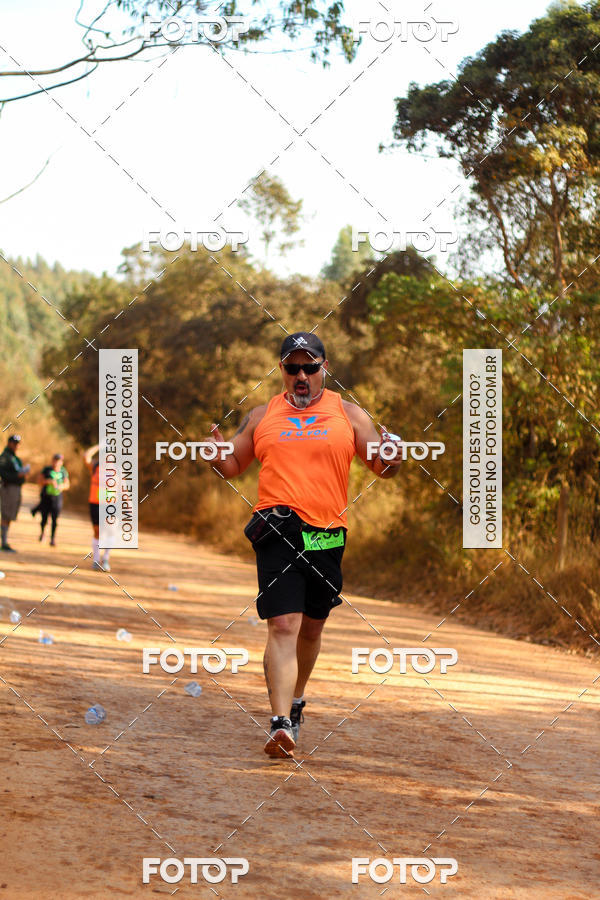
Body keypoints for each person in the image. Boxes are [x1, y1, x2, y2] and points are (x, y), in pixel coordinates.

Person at [205, 332, 402, 758]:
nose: (301, 375)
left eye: (310, 367)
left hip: (327, 533)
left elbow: (380, 466)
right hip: (277, 526)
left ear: (324, 369)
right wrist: (217, 455)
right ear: (282, 370)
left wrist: (393, 457)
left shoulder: (349, 415)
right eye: (292, 367)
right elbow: (234, 464)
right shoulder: (261, 415)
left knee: (311, 627)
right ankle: (279, 723)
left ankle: (295, 703)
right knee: (283, 625)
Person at [0, 434, 30, 552]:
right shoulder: (4, 456)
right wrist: (17, 475)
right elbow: (3, 474)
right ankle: (4, 543)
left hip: (16, 488)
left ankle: (5, 541)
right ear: (9, 443)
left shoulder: (15, 458)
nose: (17, 446)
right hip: (8, 488)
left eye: (18, 443)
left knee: (10, 515)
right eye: (15, 443)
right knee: (6, 514)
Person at [83, 443, 111, 572]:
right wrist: (100, 445)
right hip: (95, 503)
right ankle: (96, 560)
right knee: (97, 531)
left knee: (109, 530)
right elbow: (86, 456)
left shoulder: (117, 470)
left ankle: (105, 559)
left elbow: (123, 487)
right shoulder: (95, 467)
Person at [32, 453, 70, 546]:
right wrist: (48, 482)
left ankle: (53, 539)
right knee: (44, 517)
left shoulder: (63, 472)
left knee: (55, 519)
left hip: (57, 497)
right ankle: (42, 533)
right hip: (46, 497)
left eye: (59, 460)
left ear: (61, 462)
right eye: (55, 460)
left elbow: (67, 484)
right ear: (52, 461)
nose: (57, 462)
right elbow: (39, 481)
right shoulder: (47, 470)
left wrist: (62, 486)